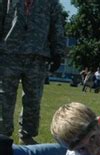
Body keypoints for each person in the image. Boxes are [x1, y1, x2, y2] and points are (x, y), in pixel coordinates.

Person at [0, 0, 65, 145]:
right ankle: (2, 136)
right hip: (9, 54)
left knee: (33, 99)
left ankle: (27, 136)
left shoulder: (50, 3)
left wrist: (58, 52)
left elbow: (57, 26)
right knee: (4, 98)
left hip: (37, 57)